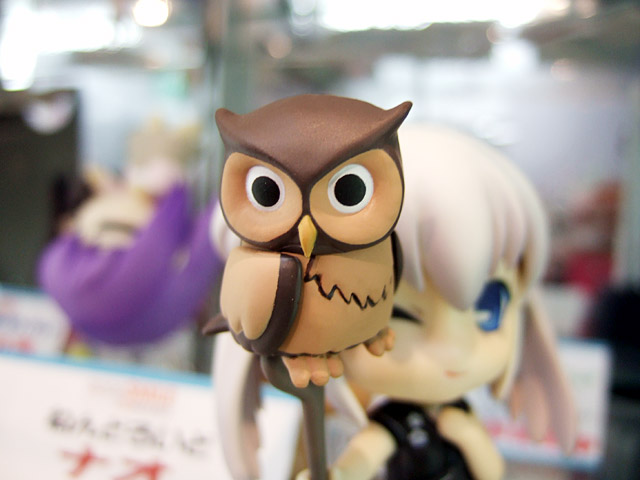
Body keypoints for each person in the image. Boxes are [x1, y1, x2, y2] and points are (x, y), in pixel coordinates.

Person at [299, 125, 577, 480]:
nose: (453, 350)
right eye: (399, 314)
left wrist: (469, 437)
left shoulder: (461, 414)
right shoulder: (394, 423)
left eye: (488, 308)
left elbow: (491, 471)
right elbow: (361, 460)